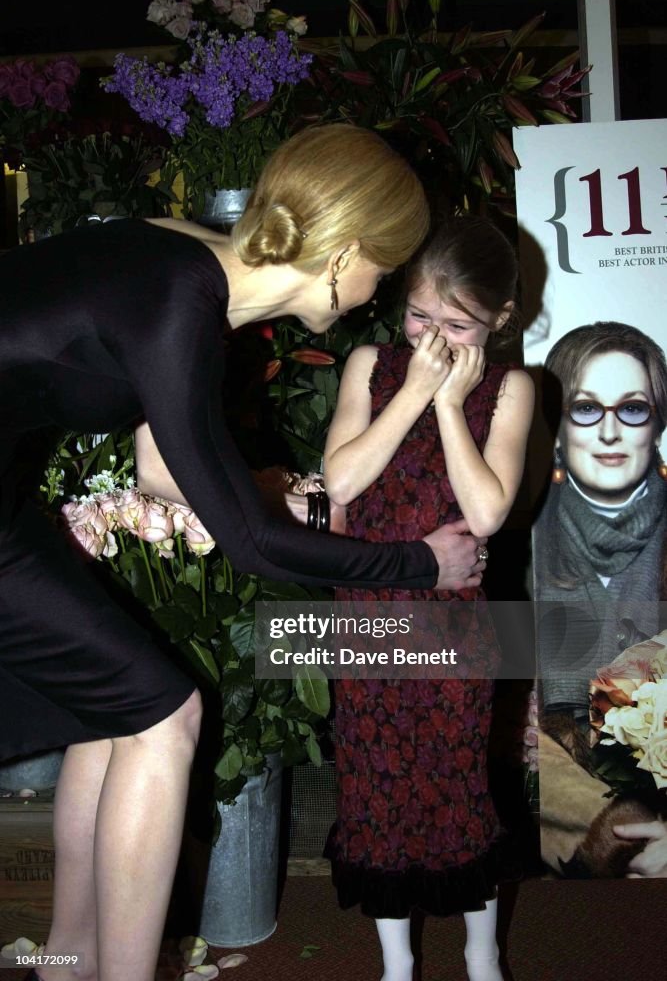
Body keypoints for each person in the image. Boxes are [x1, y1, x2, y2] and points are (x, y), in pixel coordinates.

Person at [0, 125, 489, 981]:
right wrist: (420, 563)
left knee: (112, 709)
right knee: (163, 714)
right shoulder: (175, 298)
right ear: (342, 253)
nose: (377, 297)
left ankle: (65, 964)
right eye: (383, 269)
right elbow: (256, 549)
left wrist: (277, 492)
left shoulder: (188, 273)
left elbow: (163, 470)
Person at [323, 216, 534, 981]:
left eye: (456, 324)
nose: (433, 337)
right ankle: (395, 966)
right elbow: (341, 482)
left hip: (454, 622)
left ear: (499, 320)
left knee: (456, 781)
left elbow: (484, 513)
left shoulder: (509, 386)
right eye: (419, 315)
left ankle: (482, 959)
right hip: (366, 612)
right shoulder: (368, 365)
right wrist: (413, 390)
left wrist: (449, 404)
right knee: (372, 785)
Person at [533, 321, 667, 878]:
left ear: (656, 423)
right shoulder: (517, 525)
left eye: (632, 408)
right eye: (586, 408)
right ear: (558, 427)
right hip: (555, 789)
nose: (610, 431)